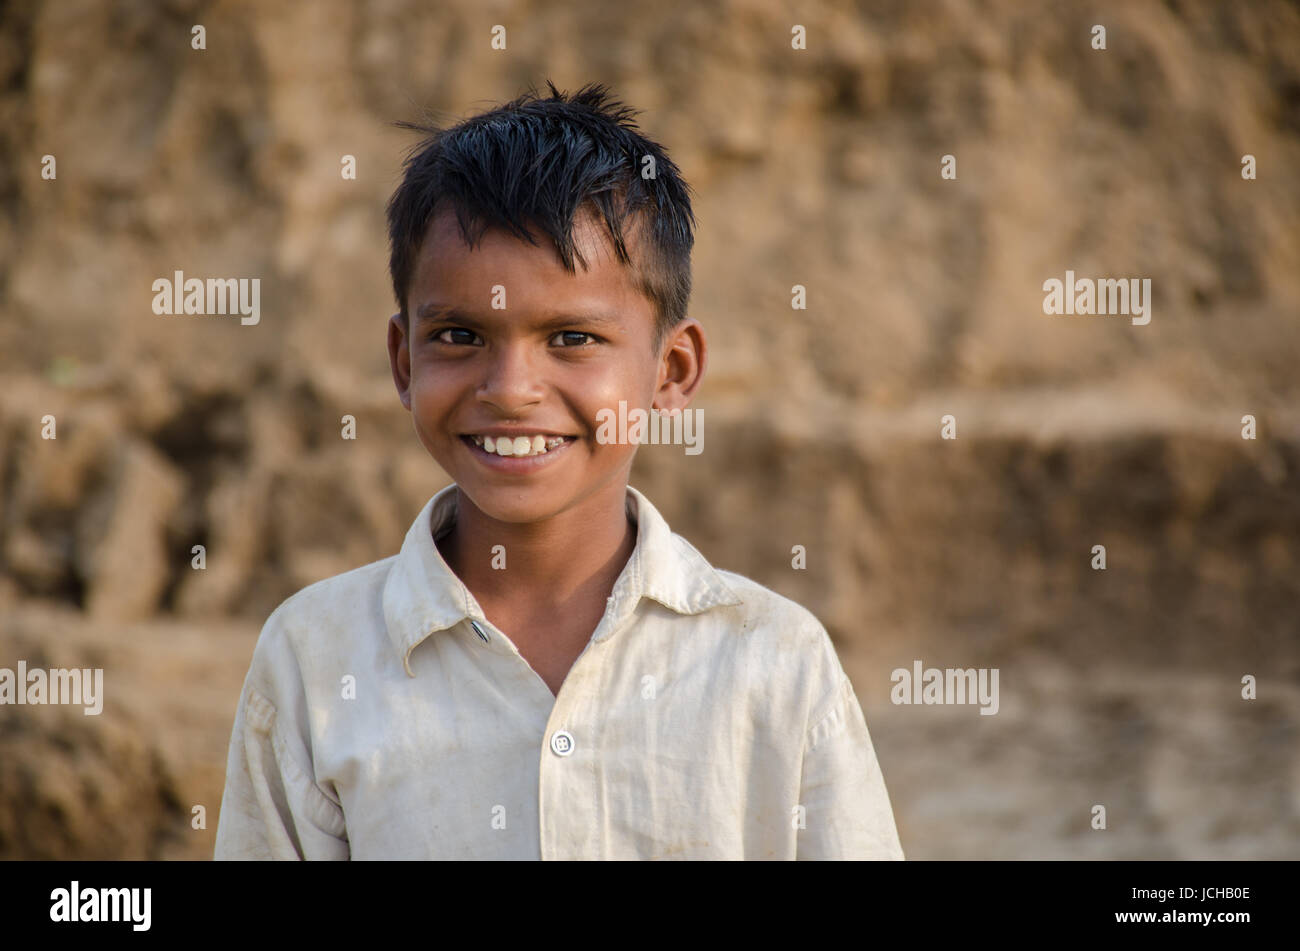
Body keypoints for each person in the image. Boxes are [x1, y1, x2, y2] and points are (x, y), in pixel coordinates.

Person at [214, 81, 904, 860]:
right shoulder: (315, 661)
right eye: (461, 335)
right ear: (404, 361)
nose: (510, 390)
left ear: (672, 371)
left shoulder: (773, 662)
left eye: (572, 337)